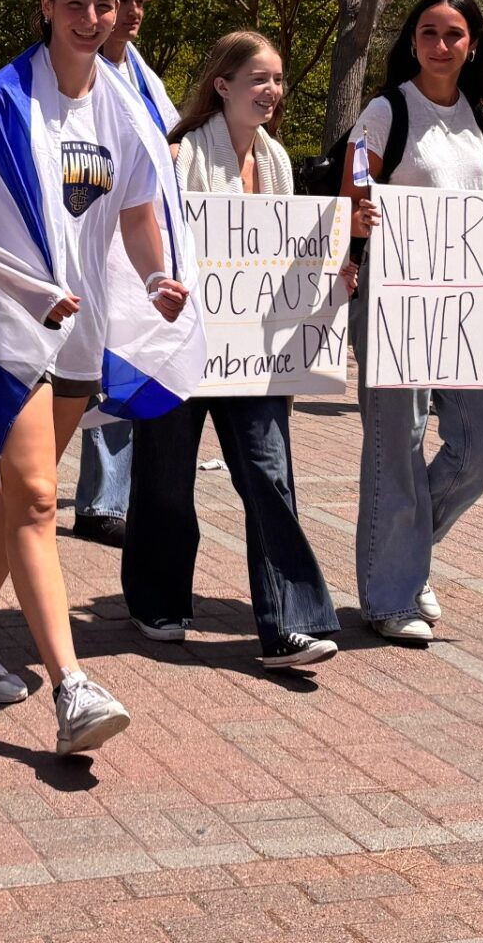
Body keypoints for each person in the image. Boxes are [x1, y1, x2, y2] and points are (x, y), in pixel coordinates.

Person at [0, 0, 202, 756]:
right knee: (40, 498)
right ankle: (72, 688)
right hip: (4, 331)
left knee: (13, 501)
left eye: (104, 5)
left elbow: (139, 209)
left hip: (82, 328)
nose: (90, 18)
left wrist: (156, 279)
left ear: (120, 13)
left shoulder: (122, 109)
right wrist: (25, 284)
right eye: (75, 3)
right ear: (47, 7)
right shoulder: (4, 104)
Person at [122, 33, 341, 667]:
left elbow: (283, 259)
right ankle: (156, 599)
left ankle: (289, 624)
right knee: (165, 481)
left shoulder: (277, 161)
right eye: (259, 80)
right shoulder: (179, 155)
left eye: (278, 79)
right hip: (177, 345)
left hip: (253, 358)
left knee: (269, 476)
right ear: (223, 85)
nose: (272, 91)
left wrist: (330, 277)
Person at [342, 0, 483, 644]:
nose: (441, 46)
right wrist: (356, 219)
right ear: (412, 41)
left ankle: (404, 560)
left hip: (467, 300)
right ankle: (389, 599)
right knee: (397, 444)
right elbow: (354, 196)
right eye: (429, 34)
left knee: (481, 443)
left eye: (454, 35)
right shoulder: (386, 113)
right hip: (393, 294)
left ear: (473, 46)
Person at [74, 0, 178, 547]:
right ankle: (85, 499)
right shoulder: (79, 75)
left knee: (124, 365)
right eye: (124, 1)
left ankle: (105, 499)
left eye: (139, 3)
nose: (133, 13)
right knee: (85, 370)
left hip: (137, 244)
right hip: (91, 243)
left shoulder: (144, 77)